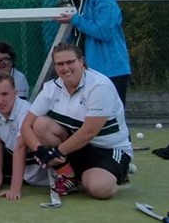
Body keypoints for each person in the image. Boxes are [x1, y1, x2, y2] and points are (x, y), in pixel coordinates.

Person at [20, 43, 133, 199]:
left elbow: (88, 133)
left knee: (99, 189)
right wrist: (40, 150)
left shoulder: (100, 86)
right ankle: (67, 175)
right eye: (60, 64)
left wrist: (55, 153)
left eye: (70, 62)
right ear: (55, 66)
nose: (65, 68)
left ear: (81, 61)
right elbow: (26, 125)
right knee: (40, 124)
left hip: (107, 149)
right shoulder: (50, 88)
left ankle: (119, 172)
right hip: (74, 146)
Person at [56, 0, 131, 105]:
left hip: (110, 71)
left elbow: (104, 31)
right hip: (88, 71)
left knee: (111, 121)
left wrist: (76, 20)